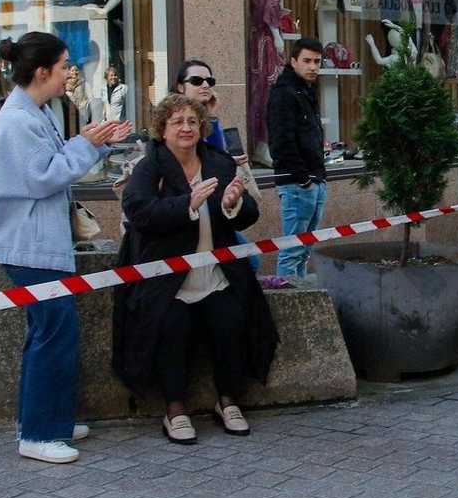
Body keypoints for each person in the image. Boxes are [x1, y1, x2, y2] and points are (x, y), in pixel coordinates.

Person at [0, 32, 132, 464]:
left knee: (47, 335)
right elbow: (44, 176)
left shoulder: (31, 111)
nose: (69, 73)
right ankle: (41, 432)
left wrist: (89, 142)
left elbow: (49, 167)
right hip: (29, 247)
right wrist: (90, 145)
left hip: (32, 244)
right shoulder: (21, 118)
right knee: (54, 336)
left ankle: (46, 421)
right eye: (64, 65)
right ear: (42, 71)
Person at [114, 94, 279, 444]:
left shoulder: (217, 161)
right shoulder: (151, 166)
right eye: (178, 122)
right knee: (170, 329)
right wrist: (185, 203)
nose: (186, 128)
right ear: (163, 129)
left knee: (232, 321)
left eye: (192, 121)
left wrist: (234, 205)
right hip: (167, 279)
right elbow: (138, 211)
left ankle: (228, 401)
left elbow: (250, 213)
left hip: (215, 273)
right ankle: (175, 409)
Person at [174, 59, 262, 275]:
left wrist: (212, 118)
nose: (205, 85)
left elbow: (214, 159)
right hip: (184, 210)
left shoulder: (207, 119)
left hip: (213, 206)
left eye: (209, 81)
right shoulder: (174, 119)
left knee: (250, 260)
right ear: (180, 87)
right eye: (196, 81)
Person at [268, 38, 327, 279]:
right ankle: (287, 307)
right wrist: (303, 179)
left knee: (304, 250)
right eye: (307, 61)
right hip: (297, 183)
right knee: (292, 251)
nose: (313, 67)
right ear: (293, 61)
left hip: (314, 179)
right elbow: (282, 142)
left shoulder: (305, 91)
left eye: (317, 61)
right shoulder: (284, 93)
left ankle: (301, 299)